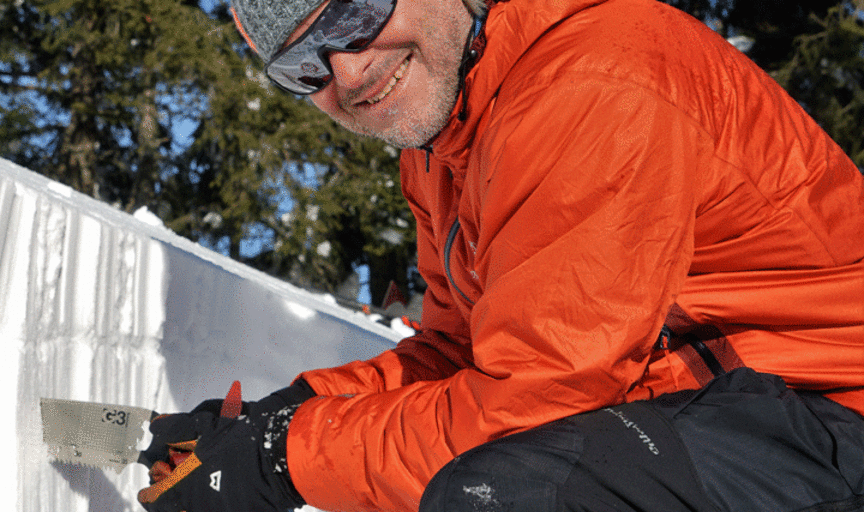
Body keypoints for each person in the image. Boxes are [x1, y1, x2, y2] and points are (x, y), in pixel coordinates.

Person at [134, 0, 864, 510]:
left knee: (508, 493)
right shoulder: (442, 144)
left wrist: (284, 457)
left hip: (832, 416)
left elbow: (538, 397)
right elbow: (458, 351)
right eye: (304, 66)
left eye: (355, 14)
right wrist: (292, 412)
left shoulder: (587, 82)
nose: (348, 74)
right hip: (728, 413)